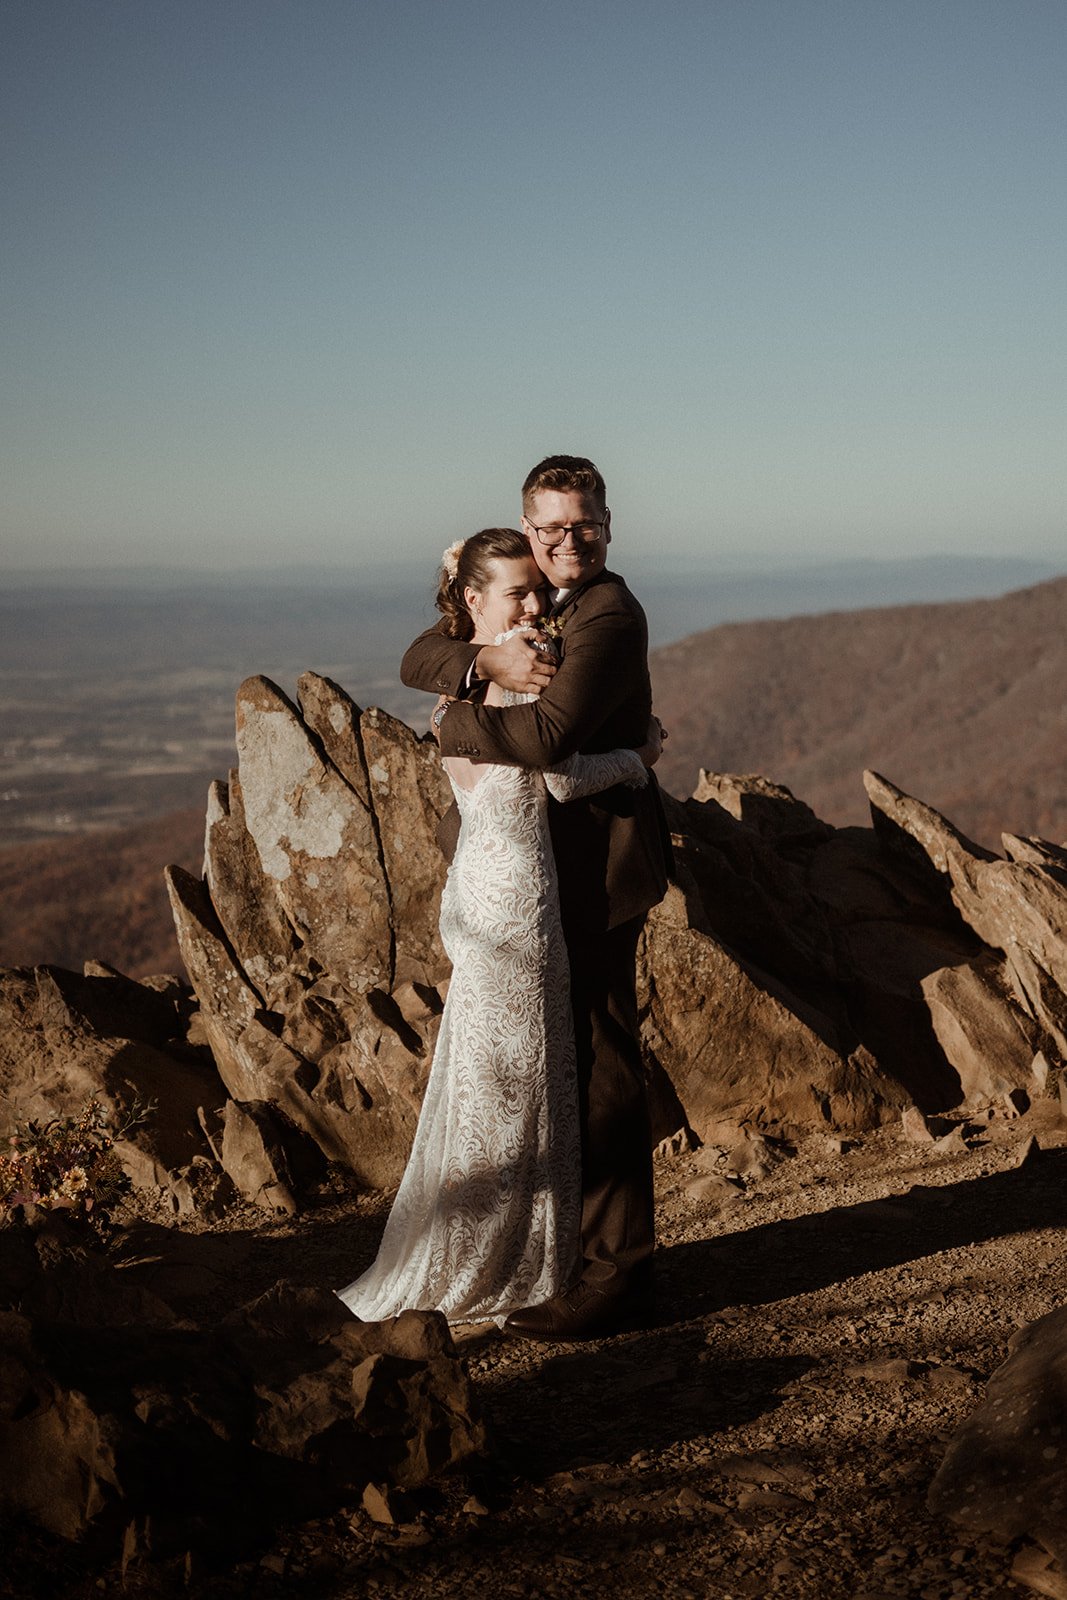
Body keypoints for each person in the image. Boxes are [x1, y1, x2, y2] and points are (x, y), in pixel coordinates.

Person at [337, 528, 659, 1326]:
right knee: (518, 1079)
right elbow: (555, 775)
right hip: (514, 897)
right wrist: (639, 758)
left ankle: (495, 1243)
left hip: (480, 890)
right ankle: (507, 1255)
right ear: (472, 600)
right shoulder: (515, 672)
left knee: (492, 1073)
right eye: (517, 591)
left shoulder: (485, 661)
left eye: (536, 589)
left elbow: (443, 680)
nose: (537, 605)